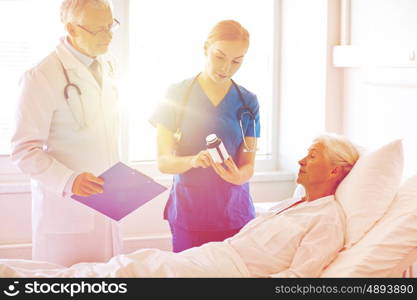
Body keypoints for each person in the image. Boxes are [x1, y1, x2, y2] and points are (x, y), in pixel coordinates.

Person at [0, 134, 360, 277]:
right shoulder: (292, 203)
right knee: (132, 266)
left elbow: (297, 279)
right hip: (215, 257)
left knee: (131, 274)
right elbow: (166, 159)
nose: (301, 160)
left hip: (228, 274)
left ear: (336, 170)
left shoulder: (328, 219)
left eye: (312, 156)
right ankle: (20, 274)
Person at [10, 0, 122, 267]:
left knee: (109, 281)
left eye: (110, 27)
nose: (107, 36)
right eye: (98, 30)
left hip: (108, 204)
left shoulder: (107, 66)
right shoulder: (41, 76)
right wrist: (69, 181)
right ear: (72, 29)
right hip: (66, 213)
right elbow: (24, 151)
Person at [149, 20, 261, 252]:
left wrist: (238, 176)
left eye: (237, 61)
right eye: (219, 57)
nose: (226, 68)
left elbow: (248, 164)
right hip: (190, 215)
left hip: (235, 214)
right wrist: (192, 160)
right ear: (205, 49)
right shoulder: (176, 94)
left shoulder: (248, 102)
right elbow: (164, 162)